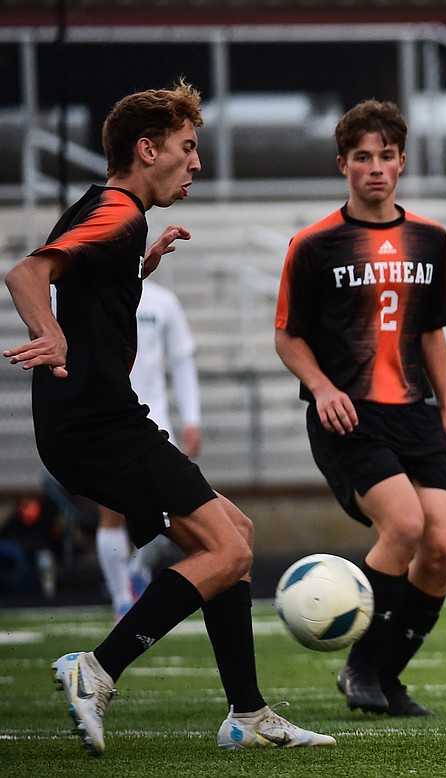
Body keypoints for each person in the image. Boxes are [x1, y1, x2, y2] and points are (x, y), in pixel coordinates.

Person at [3, 79, 333, 756]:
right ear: (146, 149)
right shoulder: (118, 213)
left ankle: (247, 715)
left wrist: (137, 271)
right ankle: (96, 670)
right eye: (187, 148)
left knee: (232, 536)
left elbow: (87, 282)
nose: (197, 163)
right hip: (97, 423)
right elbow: (27, 275)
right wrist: (52, 335)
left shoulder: (117, 218)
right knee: (231, 548)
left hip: (92, 421)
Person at [274, 99, 446, 718]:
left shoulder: (430, 239)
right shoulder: (313, 245)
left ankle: (386, 674)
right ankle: (360, 666)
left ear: (402, 162)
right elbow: (287, 335)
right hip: (348, 415)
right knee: (406, 527)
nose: (375, 167)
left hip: (415, 410)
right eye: (363, 157)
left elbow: (433, 331)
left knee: (443, 547)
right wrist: (323, 387)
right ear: (343, 165)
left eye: (386, 155)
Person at [96, 278, 201, 621]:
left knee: (166, 512)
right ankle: (121, 601)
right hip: (105, 421)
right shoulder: (91, 296)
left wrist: (191, 419)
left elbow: (182, 361)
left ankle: (137, 571)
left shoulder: (162, 301)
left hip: (154, 423)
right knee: (110, 512)